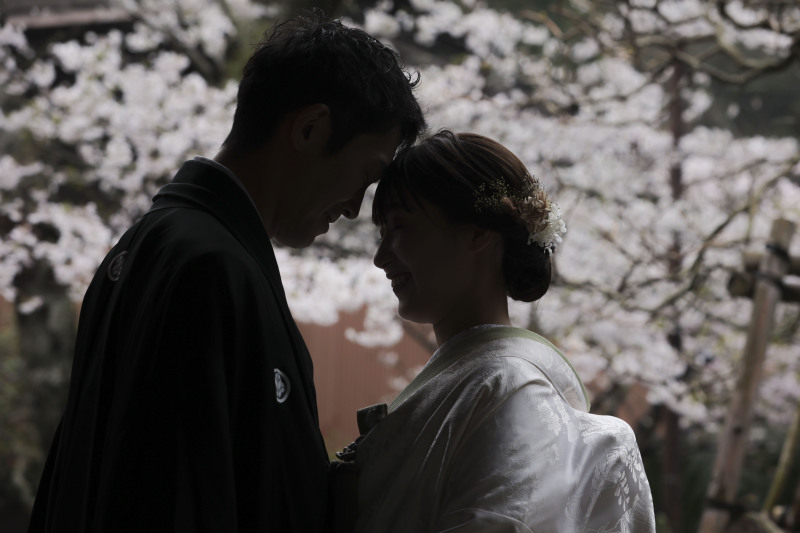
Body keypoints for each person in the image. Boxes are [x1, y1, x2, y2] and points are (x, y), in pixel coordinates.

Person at [28, 13, 425, 533]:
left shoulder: (160, 243)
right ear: (310, 129)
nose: (354, 207)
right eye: (365, 175)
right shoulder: (211, 267)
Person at [340, 130, 656, 532]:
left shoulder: (509, 386)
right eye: (381, 234)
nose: (380, 257)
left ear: (476, 232)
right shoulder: (490, 382)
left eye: (399, 229)